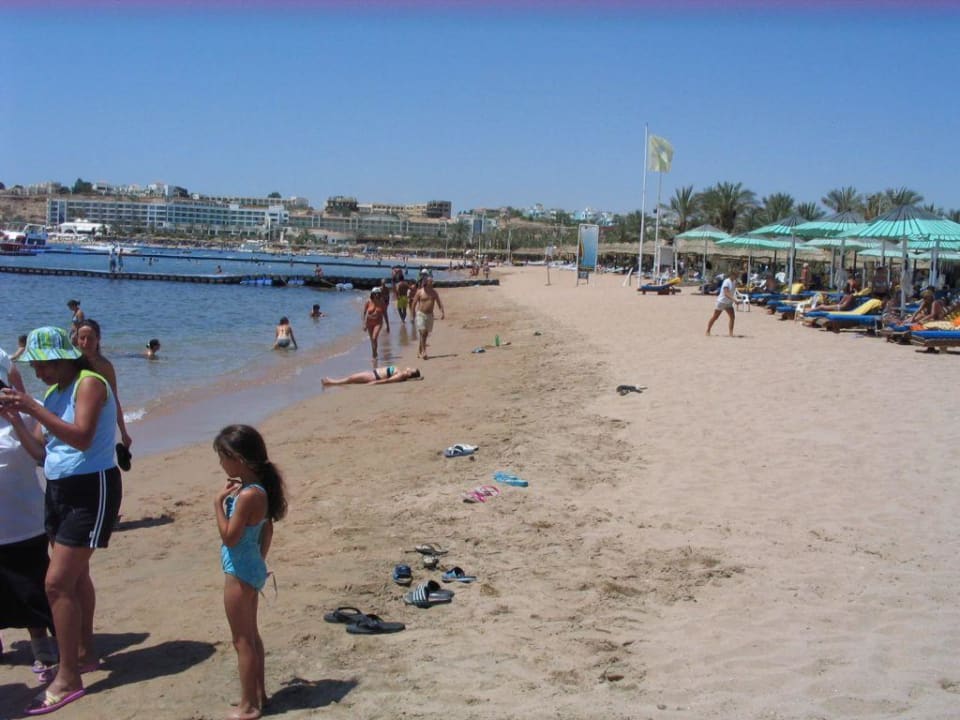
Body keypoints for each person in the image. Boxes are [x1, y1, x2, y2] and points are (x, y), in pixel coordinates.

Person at [0, 326, 121, 715]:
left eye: (41, 366)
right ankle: (84, 653)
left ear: (61, 358)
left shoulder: (90, 383)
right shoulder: (53, 394)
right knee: (76, 577)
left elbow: (83, 437)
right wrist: (16, 418)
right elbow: (39, 452)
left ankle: (68, 676)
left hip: (91, 487)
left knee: (55, 583)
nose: (37, 374)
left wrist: (32, 406)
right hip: (59, 489)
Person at [213, 424, 287, 720]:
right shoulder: (260, 489)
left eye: (222, 457)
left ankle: (249, 705)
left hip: (239, 572)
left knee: (241, 640)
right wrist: (258, 561)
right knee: (252, 636)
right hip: (252, 567)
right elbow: (266, 531)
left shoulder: (246, 496)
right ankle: (260, 694)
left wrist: (217, 504)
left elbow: (229, 537)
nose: (220, 464)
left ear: (238, 458)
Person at [0, 344, 58, 677]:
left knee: (31, 588)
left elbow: (42, 454)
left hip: (24, 522)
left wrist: (20, 409)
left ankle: (42, 648)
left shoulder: (22, 417)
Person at [75, 319, 133, 450]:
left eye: (90, 338)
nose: (85, 343)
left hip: (100, 423)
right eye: (82, 338)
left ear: (98, 339)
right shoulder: (70, 365)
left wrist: (123, 432)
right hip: (75, 423)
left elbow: (114, 400)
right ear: (76, 339)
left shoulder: (105, 366)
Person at [410, 274, 445, 359]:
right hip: (420, 314)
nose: (432, 282)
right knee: (423, 332)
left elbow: (438, 302)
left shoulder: (434, 292)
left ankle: (419, 350)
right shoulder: (420, 292)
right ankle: (424, 352)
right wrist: (412, 315)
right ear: (426, 282)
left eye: (432, 281)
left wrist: (442, 312)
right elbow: (414, 303)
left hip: (430, 315)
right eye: (430, 281)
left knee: (424, 334)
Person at [706, 271, 737, 336]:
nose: (737, 276)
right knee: (715, 317)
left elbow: (732, 292)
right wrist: (734, 300)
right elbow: (726, 293)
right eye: (735, 275)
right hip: (721, 302)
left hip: (728, 303)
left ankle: (731, 333)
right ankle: (708, 330)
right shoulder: (726, 281)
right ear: (731, 275)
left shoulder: (734, 282)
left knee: (732, 317)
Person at [362, 288, 389, 361]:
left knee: (374, 337)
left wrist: (387, 325)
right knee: (372, 340)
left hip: (378, 322)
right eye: (375, 293)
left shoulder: (382, 302)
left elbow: (385, 314)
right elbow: (364, 313)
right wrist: (364, 324)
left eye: (378, 293)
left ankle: (374, 354)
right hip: (369, 322)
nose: (377, 295)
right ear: (372, 294)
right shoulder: (368, 302)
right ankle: (374, 353)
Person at [322, 366, 421, 386]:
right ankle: (332, 382)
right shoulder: (401, 373)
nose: (410, 367)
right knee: (351, 378)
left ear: (410, 374)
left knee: (351, 378)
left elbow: (388, 381)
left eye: (412, 369)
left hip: (374, 377)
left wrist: (374, 383)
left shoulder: (400, 375)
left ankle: (331, 382)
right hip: (373, 373)